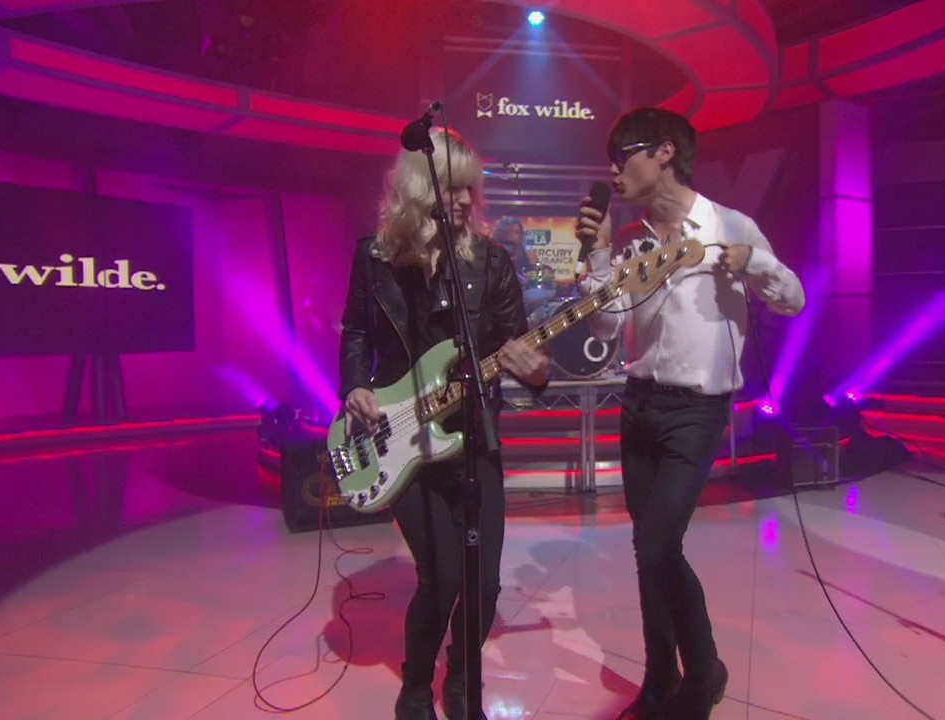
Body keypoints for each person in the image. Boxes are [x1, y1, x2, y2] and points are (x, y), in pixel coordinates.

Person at [575, 107, 806, 720]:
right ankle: (659, 678)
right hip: (639, 404)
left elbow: (793, 298)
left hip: (697, 411)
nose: (613, 171)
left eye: (623, 154)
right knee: (646, 547)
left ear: (665, 152)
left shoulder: (729, 224)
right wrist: (597, 257)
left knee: (658, 544)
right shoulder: (630, 240)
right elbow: (607, 326)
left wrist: (753, 262)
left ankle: (703, 674)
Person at [338, 126, 551, 720]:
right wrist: (354, 384)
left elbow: (519, 347)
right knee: (441, 577)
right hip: (403, 437)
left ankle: (460, 679)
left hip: (472, 437)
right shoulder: (375, 258)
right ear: (417, 190)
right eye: (452, 188)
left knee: (483, 584)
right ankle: (414, 689)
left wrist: (536, 370)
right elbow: (355, 329)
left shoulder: (490, 262)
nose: (464, 200)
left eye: (470, 189)